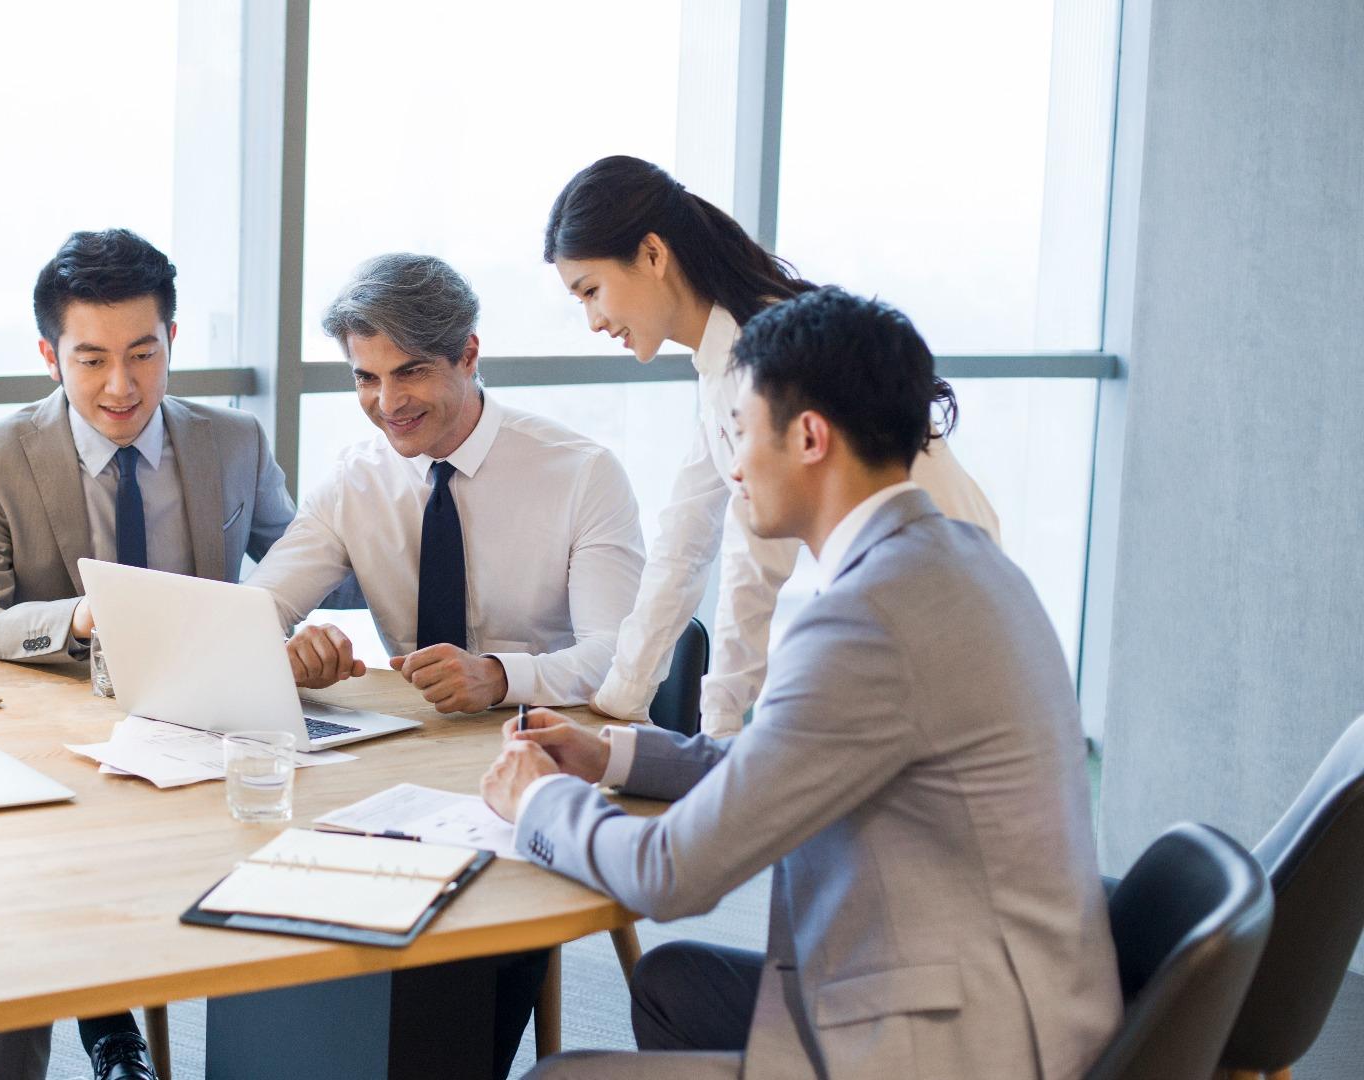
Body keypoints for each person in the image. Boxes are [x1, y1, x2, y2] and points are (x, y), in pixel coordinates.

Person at [485, 288, 1121, 1080]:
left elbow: (670, 873)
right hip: (1016, 993)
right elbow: (785, 762)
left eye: (741, 431)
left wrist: (537, 800)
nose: (734, 465)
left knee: (558, 1078)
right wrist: (609, 754)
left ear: (810, 437)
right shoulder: (962, 557)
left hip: (960, 1048)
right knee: (672, 985)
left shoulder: (868, 619)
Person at [245, 252, 645, 1079]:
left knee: (458, 952)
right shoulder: (354, 482)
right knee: (283, 898)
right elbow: (256, 612)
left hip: (540, 760)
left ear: (468, 353)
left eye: (411, 372)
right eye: (365, 377)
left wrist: (501, 676)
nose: (387, 404)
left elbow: (619, 660)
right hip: (405, 766)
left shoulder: (581, 475)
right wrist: (287, 655)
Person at [0, 227, 299, 1080]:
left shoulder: (233, 443)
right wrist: (80, 618)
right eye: (91, 359)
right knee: (42, 862)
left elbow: (302, 563)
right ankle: (92, 1039)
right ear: (48, 355)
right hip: (61, 745)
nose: (121, 385)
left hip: (205, 734)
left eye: (143, 353)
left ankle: (131, 1034)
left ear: (174, 340)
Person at [544, 155, 1000, 736]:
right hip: (928, 594)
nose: (593, 321)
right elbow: (683, 540)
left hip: (941, 603)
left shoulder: (762, 359)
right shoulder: (726, 356)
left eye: (592, 290)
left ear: (653, 255)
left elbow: (751, 562)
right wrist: (621, 697)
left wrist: (718, 730)